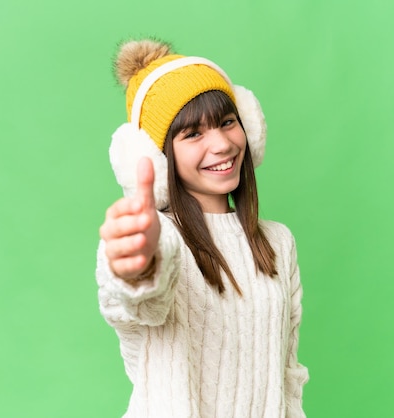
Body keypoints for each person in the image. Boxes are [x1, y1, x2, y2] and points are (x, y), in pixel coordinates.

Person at [96, 38, 308, 418]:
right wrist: (138, 266)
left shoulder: (279, 242)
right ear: (157, 159)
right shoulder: (159, 239)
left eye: (228, 122)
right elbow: (139, 299)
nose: (222, 144)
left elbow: (288, 379)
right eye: (193, 134)